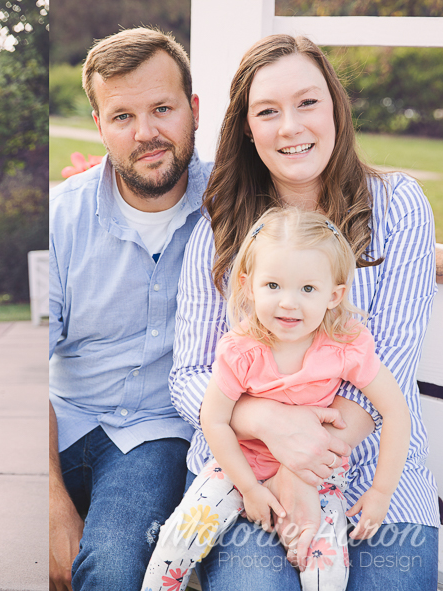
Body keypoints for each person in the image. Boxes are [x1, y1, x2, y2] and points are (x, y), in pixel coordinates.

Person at [171, 35, 439, 589]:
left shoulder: (399, 207)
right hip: (245, 472)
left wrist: (306, 466)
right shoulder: (218, 232)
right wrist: (268, 423)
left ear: (336, 106)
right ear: (248, 128)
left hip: (376, 470)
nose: (290, 126)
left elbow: (387, 360)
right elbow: (189, 375)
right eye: (268, 111)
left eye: (307, 102)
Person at [143, 208, 411, 591]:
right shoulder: (242, 350)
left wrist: (381, 491)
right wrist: (249, 489)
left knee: (328, 575)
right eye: (273, 286)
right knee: (175, 546)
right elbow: (214, 420)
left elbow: (396, 411)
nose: (288, 303)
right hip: (239, 467)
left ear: (334, 295)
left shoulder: (344, 345)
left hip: (315, 475)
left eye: (307, 289)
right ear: (248, 284)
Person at [48, 27, 213, 591]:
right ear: (99, 126)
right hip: (64, 418)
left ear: (193, 110)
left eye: (162, 108)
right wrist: (51, 502)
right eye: (122, 117)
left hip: (156, 430)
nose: (146, 134)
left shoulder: (234, 204)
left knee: (111, 570)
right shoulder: (61, 217)